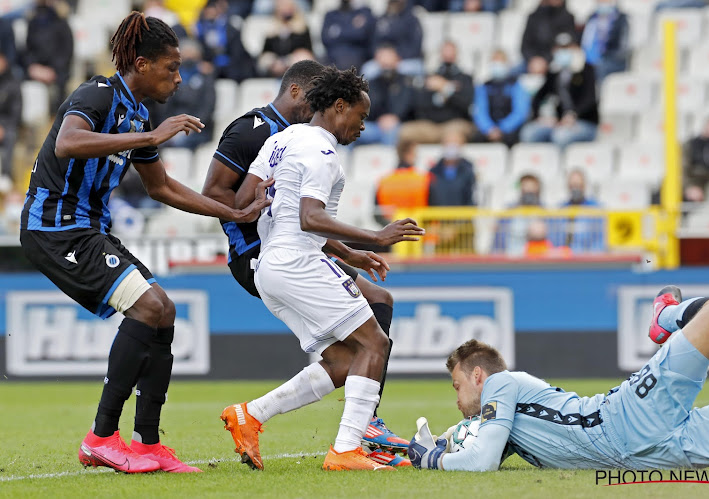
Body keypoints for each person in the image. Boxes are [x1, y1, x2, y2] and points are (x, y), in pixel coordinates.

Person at [19, 12, 272, 474]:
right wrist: (151, 135)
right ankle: (100, 438)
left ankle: (147, 444)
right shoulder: (97, 94)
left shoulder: (137, 113)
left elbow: (163, 188)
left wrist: (231, 212)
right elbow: (67, 143)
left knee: (164, 311)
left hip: (88, 228)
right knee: (150, 308)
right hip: (54, 228)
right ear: (140, 63)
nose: (178, 77)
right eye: (170, 67)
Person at [204, 62, 418, 469]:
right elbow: (310, 218)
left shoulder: (282, 140)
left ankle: (251, 415)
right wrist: (376, 237)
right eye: (361, 116)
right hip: (299, 262)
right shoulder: (323, 152)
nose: (362, 126)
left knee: (342, 361)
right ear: (339, 106)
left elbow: (246, 200)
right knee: (375, 343)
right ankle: (347, 450)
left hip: (269, 267)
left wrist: (347, 253)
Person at [408, 286, 709, 470]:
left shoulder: (501, 383)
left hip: (628, 419)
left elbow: (480, 463)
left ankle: (666, 315)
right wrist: (442, 442)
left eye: (458, 385)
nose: (456, 399)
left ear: (478, 375)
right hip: (646, 459)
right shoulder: (507, 430)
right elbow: (479, 447)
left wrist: (431, 459)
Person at [520, 33, 599, 148]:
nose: (563, 52)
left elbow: (590, 99)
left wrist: (573, 115)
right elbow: (539, 97)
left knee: (561, 136)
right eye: (560, 49)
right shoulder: (554, 73)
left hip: (584, 122)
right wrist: (540, 117)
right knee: (529, 133)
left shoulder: (586, 70)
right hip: (559, 122)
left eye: (566, 48)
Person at [399, 40, 475, 144]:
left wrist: (446, 88)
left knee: (453, 136)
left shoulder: (464, 79)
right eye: (445, 52)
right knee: (405, 132)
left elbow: (466, 103)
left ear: (457, 54)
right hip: (430, 125)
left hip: (454, 124)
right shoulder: (430, 77)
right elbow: (420, 105)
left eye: (450, 52)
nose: (447, 55)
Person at [473, 49, 531, 146]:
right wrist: (489, 129)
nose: (497, 65)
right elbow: (480, 111)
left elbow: (520, 112)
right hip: (489, 130)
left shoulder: (516, 85)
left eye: (500, 62)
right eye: (494, 62)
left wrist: (503, 128)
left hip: (510, 130)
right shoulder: (484, 87)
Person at [375, 139, 428, 225]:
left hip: (391, 232)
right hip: (418, 231)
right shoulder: (423, 179)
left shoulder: (384, 181)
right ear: (409, 155)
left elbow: (377, 212)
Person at [258, 0, 313, 78]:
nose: (285, 8)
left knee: (302, 56)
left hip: (296, 70)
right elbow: (265, 53)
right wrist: (275, 62)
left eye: (287, 5)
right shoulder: (271, 30)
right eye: (282, 5)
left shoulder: (302, 28)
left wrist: (288, 61)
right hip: (275, 68)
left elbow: (307, 51)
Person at [580, 0, 630, 83]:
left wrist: (603, 58)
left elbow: (622, 48)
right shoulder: (592, 18)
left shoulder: (621, 19)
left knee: (601, 67)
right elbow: (586, 42)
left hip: (613, 61)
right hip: (592, 61)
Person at [321, 0, 376, 72]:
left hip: (358, 58)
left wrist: (338, 32)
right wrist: (352, 30)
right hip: (333, 58)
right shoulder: (331, 15)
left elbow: (362, 35)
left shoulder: (365, 12)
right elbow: (325, 39)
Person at [0, 51, 21, 192]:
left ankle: (5, 175)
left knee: (10, 135)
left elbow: (15, 112)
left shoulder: (12, 83)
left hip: (6, 123)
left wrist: (3, 126)